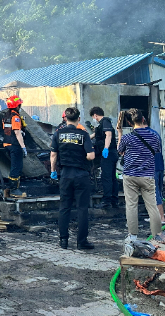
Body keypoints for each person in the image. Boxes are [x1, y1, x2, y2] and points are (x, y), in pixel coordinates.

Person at [50, 107, 95, 250]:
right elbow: (91, 156)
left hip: (65, 175)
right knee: (82, 208)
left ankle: (63, 241)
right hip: (81, 175)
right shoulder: (83, 134)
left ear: (65, 118)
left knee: (64, 207)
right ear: (78, 119)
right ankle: (81, 242)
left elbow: (53, 155)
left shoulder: (58, 134)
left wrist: (53, 171)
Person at [118, 108, 163, 243]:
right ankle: (157, 236)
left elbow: (120, 151)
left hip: (130, 175)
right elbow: (156, 151)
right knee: (152, 206)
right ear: (143, 119)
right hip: (148, 175)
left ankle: (133, 236)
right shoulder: (155, 136)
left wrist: (120, 132)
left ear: (129, 123)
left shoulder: (127, 137)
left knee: (131, 205)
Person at [89, 107, 119, 209]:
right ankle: (114, 200)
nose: (94, 118)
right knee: (111, 177)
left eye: (93, 116)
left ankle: (107, 201)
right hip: (111, 153)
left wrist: (106, 148)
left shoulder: (105, 121)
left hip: (108, 153)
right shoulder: (102, 124)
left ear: (95, 115)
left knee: (106, 177)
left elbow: (108, 135)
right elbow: (95, 134)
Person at [2, 95, 27, 197]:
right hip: (15, 145)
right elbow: (17, 133)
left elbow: (7, 131)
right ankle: (14, 191)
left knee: (14, 166)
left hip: (7, 144)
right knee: (17, 167)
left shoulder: (6, 116)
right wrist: (23, 147)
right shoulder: (15, 117)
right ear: (17, 106)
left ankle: (8, 191)